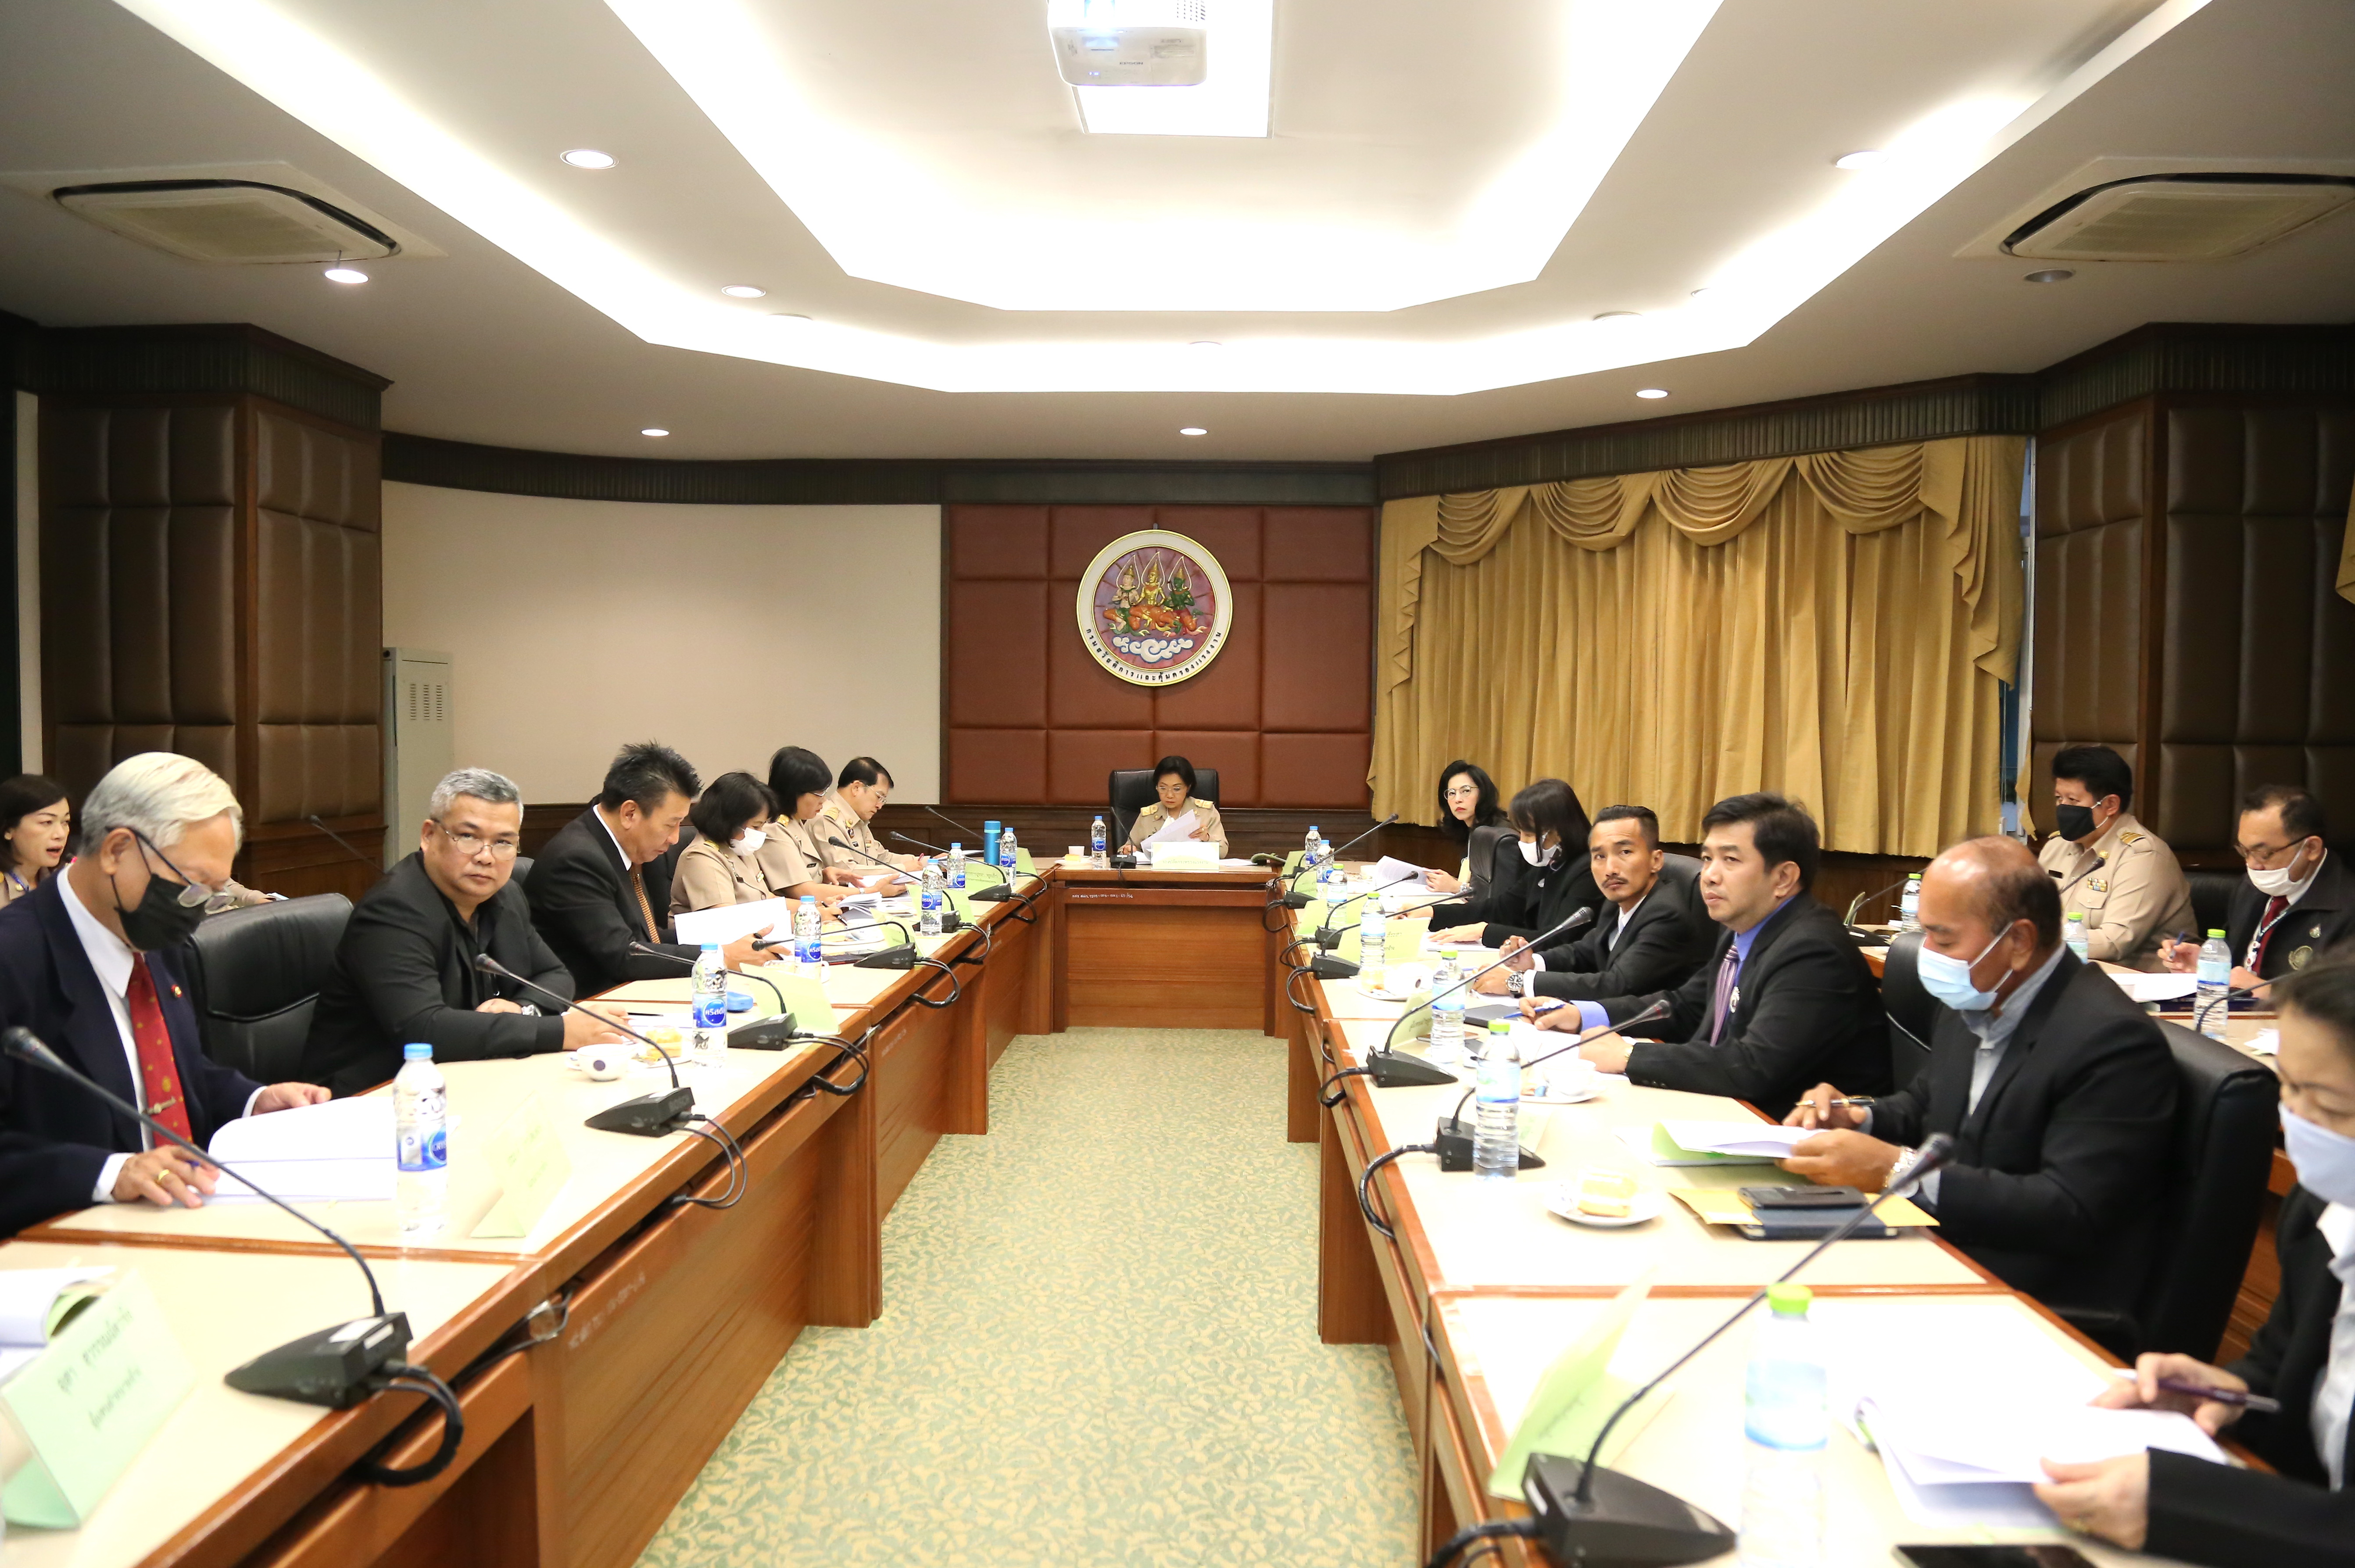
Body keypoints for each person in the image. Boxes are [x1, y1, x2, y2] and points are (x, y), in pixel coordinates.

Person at [2031, 955, 2355, 1563]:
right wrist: (2234, 1394)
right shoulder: (2326, 1208)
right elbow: (2285, 1369)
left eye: (2330, 1106)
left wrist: (2182, 1505)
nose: (2297, 1122)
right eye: (2288, 1086)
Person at [1781, 836, 2177, 1317]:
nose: (1927, 952)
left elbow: (2068, 1209)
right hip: (1934, 1249)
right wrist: (1857, 1116)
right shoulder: (1977, 993)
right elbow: (1927, 1103)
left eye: (1944, 939)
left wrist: (1895, 1170)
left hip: (2027, 1298)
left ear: (2019, 941)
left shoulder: (2110, 1040)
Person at [0, 752, 330, 1235]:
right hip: (60, 1245)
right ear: (116, 850)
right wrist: (109, 1173)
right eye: (192, 885)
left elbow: (172, 1075)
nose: (196, 911)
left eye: (212, 892)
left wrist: (253, 1100)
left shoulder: (154, 936)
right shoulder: (13, 959)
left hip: (185, 1221)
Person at [1526, 793, 1887, 1118]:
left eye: (1730, 860)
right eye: (1707, 859)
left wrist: (1628, 1056)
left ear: (1783, 878)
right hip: (1723, 1110)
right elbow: (1685, 1006)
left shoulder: (1812, 950)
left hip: (1785, 1132)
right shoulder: (1741, 927)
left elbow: (1754, 1067)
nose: (1709, 876)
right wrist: (1583, 1014)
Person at [305, 769, 626, 1097]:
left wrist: (522, 1010)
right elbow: (424, 1030)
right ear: (429, 836)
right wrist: (561, 1032)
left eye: (503, 842)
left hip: (466, 1076)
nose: (486, 857)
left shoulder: (505, 896)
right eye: (469, 837)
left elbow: (555, 975)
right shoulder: (393, 911)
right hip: (373, 1095)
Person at [528, 741, 763, 995]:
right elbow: (623, 955)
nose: (675, 838)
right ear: (630, 813)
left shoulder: (614, 847)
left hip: (628, 992)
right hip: (590, 1002)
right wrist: (720, 956)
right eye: (671, 825)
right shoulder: (576, 860)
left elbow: (647, 937)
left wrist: (725, 935)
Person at [1474, 805, 1709, 1002]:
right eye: (1600, 856)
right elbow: (1585, 952)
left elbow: (1616, 985)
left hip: (1653, 1036)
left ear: (1656, 860)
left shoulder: (1667, 914)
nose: (1610, 869)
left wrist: (1519, 982)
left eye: (1625, 852)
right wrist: (1533, 961)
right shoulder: (1618, 901)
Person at [2159, 784, 2350, 996]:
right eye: (2245, 851)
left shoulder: (2346, 908)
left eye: (2264, 854)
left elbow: (2343, 1002)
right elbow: (2242, 963)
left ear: (2311, 848)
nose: (2252, 865)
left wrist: (2270, 992)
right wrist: (2209, 964)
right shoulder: (2249, 889)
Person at [2036, 744, 2194, 971]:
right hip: (2071, 972)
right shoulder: (2056, 847)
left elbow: (2114, 942)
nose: (2063, 808)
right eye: (2059, 799)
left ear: (2110, 805)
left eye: (2073, 800)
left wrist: (2038, 940)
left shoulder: (2143, 856)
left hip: (2139, 982)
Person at [1426, 778, 1599, 948]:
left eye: (1529, 835)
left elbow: (1558, 940)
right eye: (1521, 832)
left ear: (1559, 831)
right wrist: (1432, 913)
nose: (1522, 841)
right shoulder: (1549, 865)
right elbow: (1500, 908)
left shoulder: (1588, 872)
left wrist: (1485, 932)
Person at [759, 746, 860, 904]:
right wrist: (868, 892)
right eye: (819, 794)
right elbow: (804, 892)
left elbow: (805, 875)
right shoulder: (774, 829)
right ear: (794, 792)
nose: (823, 800)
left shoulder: (795, 821)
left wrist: (824, 875)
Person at [673, 772, 782, 913]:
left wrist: (808, 908)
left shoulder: (740, 849)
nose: (760, 832)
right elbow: (726, 919)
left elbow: (769, 900)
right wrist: (797, 920)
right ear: (731, 821)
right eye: (756, 826)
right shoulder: (700, 858)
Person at [816, 756, 918, 876]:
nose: (880, 806)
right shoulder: (827, 819)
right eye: (879, 797)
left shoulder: (858, 820)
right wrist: (903, 869)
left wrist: (930, 862)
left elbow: (883, 858)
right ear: (856, 788)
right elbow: (846, 872)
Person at [1423, 760, 1510, 898]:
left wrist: (1457, 887)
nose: (1458, 799)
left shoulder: (1501, 836)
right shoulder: (1469, 831)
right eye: (1451, 793)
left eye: (1466, 791)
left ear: (1484, 793)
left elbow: (1502, 896)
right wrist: (1446, 882)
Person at [1120, 756, 1228, 857]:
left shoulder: (1206, 812)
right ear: (1156, 787)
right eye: (1163, 788)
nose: (1170, 795)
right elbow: (1128, 848)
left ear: (1188, 787)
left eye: (1177, 789)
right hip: (1156, 870)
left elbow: (1223, 852)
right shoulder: (1148, 816)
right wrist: (1127, 851)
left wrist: (1207, 838)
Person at [0, 774, 71, 907]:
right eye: (47, 822)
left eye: (66, 822)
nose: (61, 834)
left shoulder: (67, 880)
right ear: (8, 830)